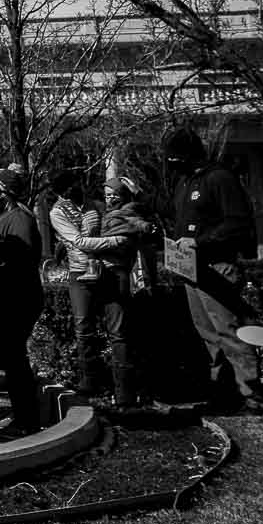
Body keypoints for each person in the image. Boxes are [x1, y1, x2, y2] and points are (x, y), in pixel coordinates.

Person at [162, 128, 263, 412]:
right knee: (207, 332)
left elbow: (238, 224)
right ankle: (222, 390)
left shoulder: (219, 178)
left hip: (217, 265)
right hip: (190, 267)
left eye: (176, 159)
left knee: (228, 329)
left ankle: (252, 392)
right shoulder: (184, 182)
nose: (172, 165)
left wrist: (200, 241)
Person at [60, 172, 151, 411]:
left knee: (118, 332)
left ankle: (124, 392)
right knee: (99, 330)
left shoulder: (127, 212)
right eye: (108, 194)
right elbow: (81, 241)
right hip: (98, 272)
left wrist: (119, 240)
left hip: (116, 273)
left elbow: (141, 222)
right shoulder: (98, 210)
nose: (110, 198)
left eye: (114, 194)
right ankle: (102, 386)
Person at [0, 167, 43, 438]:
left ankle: (27, 420)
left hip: (14, 300)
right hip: (0, 298)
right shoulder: (2, 217)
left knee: (15, 360)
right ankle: (20, 413)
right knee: (9, 359)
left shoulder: (20, 220)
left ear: (6, 193)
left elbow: (22, 263)